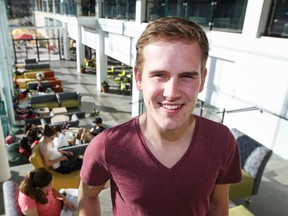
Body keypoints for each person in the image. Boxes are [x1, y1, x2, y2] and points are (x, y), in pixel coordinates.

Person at [78, 17, 242, 215]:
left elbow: (218, 204)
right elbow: (87, 196)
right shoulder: (107, 146)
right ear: (139, 78)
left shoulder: (222, 141)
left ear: (202, 79)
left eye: (187, 76)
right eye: (159, 75)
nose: (171, 93)